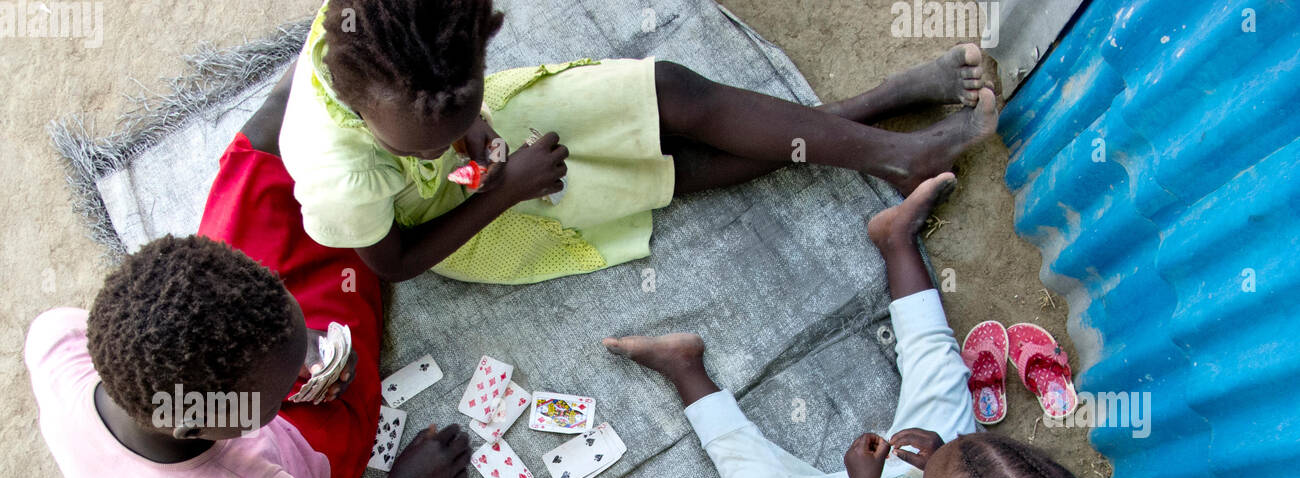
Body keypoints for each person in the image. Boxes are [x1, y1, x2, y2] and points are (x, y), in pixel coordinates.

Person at [25, 71, 472, 478]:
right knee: (351, 321)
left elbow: (239, 337)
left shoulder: (57, 342)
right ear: (205, 422)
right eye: (285, 386)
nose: (307, 364)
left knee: (261, 184)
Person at [604, 174, 1089, 478]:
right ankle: (896, 239)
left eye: (946, 468)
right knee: (940, 369)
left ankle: (684, 369)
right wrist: (940, 456)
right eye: (960, 456)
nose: (943, 456)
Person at [278, 0, 998, 283]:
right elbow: (394, 265)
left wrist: (473, 123)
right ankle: (880, 127)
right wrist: (507, 187)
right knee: (669, 170)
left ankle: (887, 143)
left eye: (462, 96)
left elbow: (443, 96)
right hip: (459, 222)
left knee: (676, 92)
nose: (438, 141)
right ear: (364, 111)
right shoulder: (338, 179)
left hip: (495, 160)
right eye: (420, 143)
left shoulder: (392, 25)